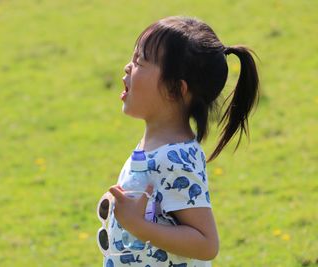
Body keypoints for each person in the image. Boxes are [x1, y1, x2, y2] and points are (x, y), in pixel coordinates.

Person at [101, 15, 259, 266]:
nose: (127, 68)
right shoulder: (157, 147)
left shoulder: (175, 159)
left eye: (140, 61)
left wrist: (138, 226)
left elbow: (206, 244)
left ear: (175, 89)